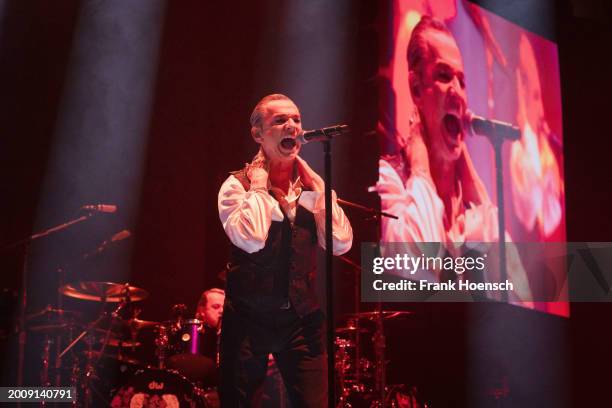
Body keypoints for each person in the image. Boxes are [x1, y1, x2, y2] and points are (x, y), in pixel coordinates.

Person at [374, 16, 531, 300]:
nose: (458, 93)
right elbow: (416, 271)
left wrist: (470, 176)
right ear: (416, 89)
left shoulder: (471, 205)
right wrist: (421, 168)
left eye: (462, 81)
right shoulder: (389, 179)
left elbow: (520, 295)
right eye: (444, 76)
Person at [217, 93, 353, 406]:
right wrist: (260, 187)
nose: (291, 126)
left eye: (296, 120)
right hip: (249, 320)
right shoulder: (236, 187)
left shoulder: (312, 186)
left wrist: (319, 194)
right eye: (280, 120)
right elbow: (249, 239)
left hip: (301, 322)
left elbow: (341, 244)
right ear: (258, 134)